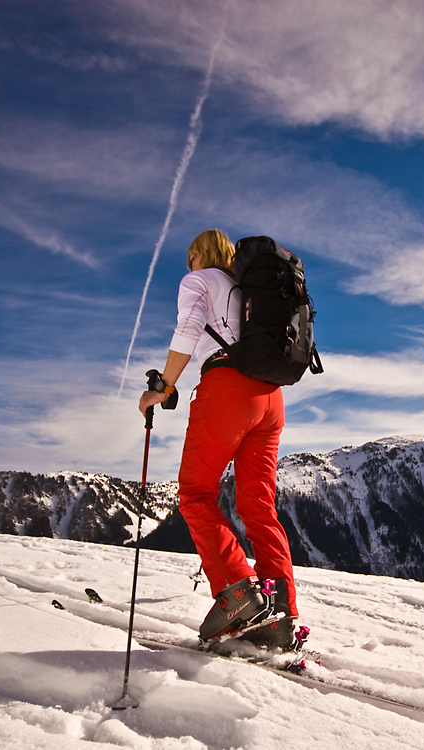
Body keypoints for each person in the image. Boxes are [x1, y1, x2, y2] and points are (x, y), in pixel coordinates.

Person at [138, 228, 298, 649]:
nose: (187, 264)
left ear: (197, 254)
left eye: (189, 256)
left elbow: (189, 328)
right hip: (270, 397)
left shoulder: (199, 280)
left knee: (195, 495)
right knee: (259, 507)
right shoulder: (246, 288)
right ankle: (281, 614)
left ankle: (238, 595)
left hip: (227, 391)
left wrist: (164, 386)